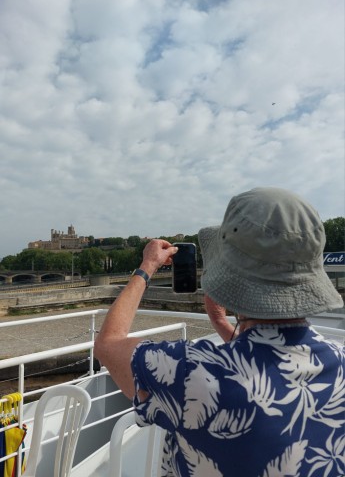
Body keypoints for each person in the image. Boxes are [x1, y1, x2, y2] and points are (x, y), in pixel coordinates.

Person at [94, 187, 344, 477]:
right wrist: (223, 325)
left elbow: (108, 344)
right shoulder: (339, 360)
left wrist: (146, 267)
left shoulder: (191, 371)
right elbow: (274, 360)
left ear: (231, 277)